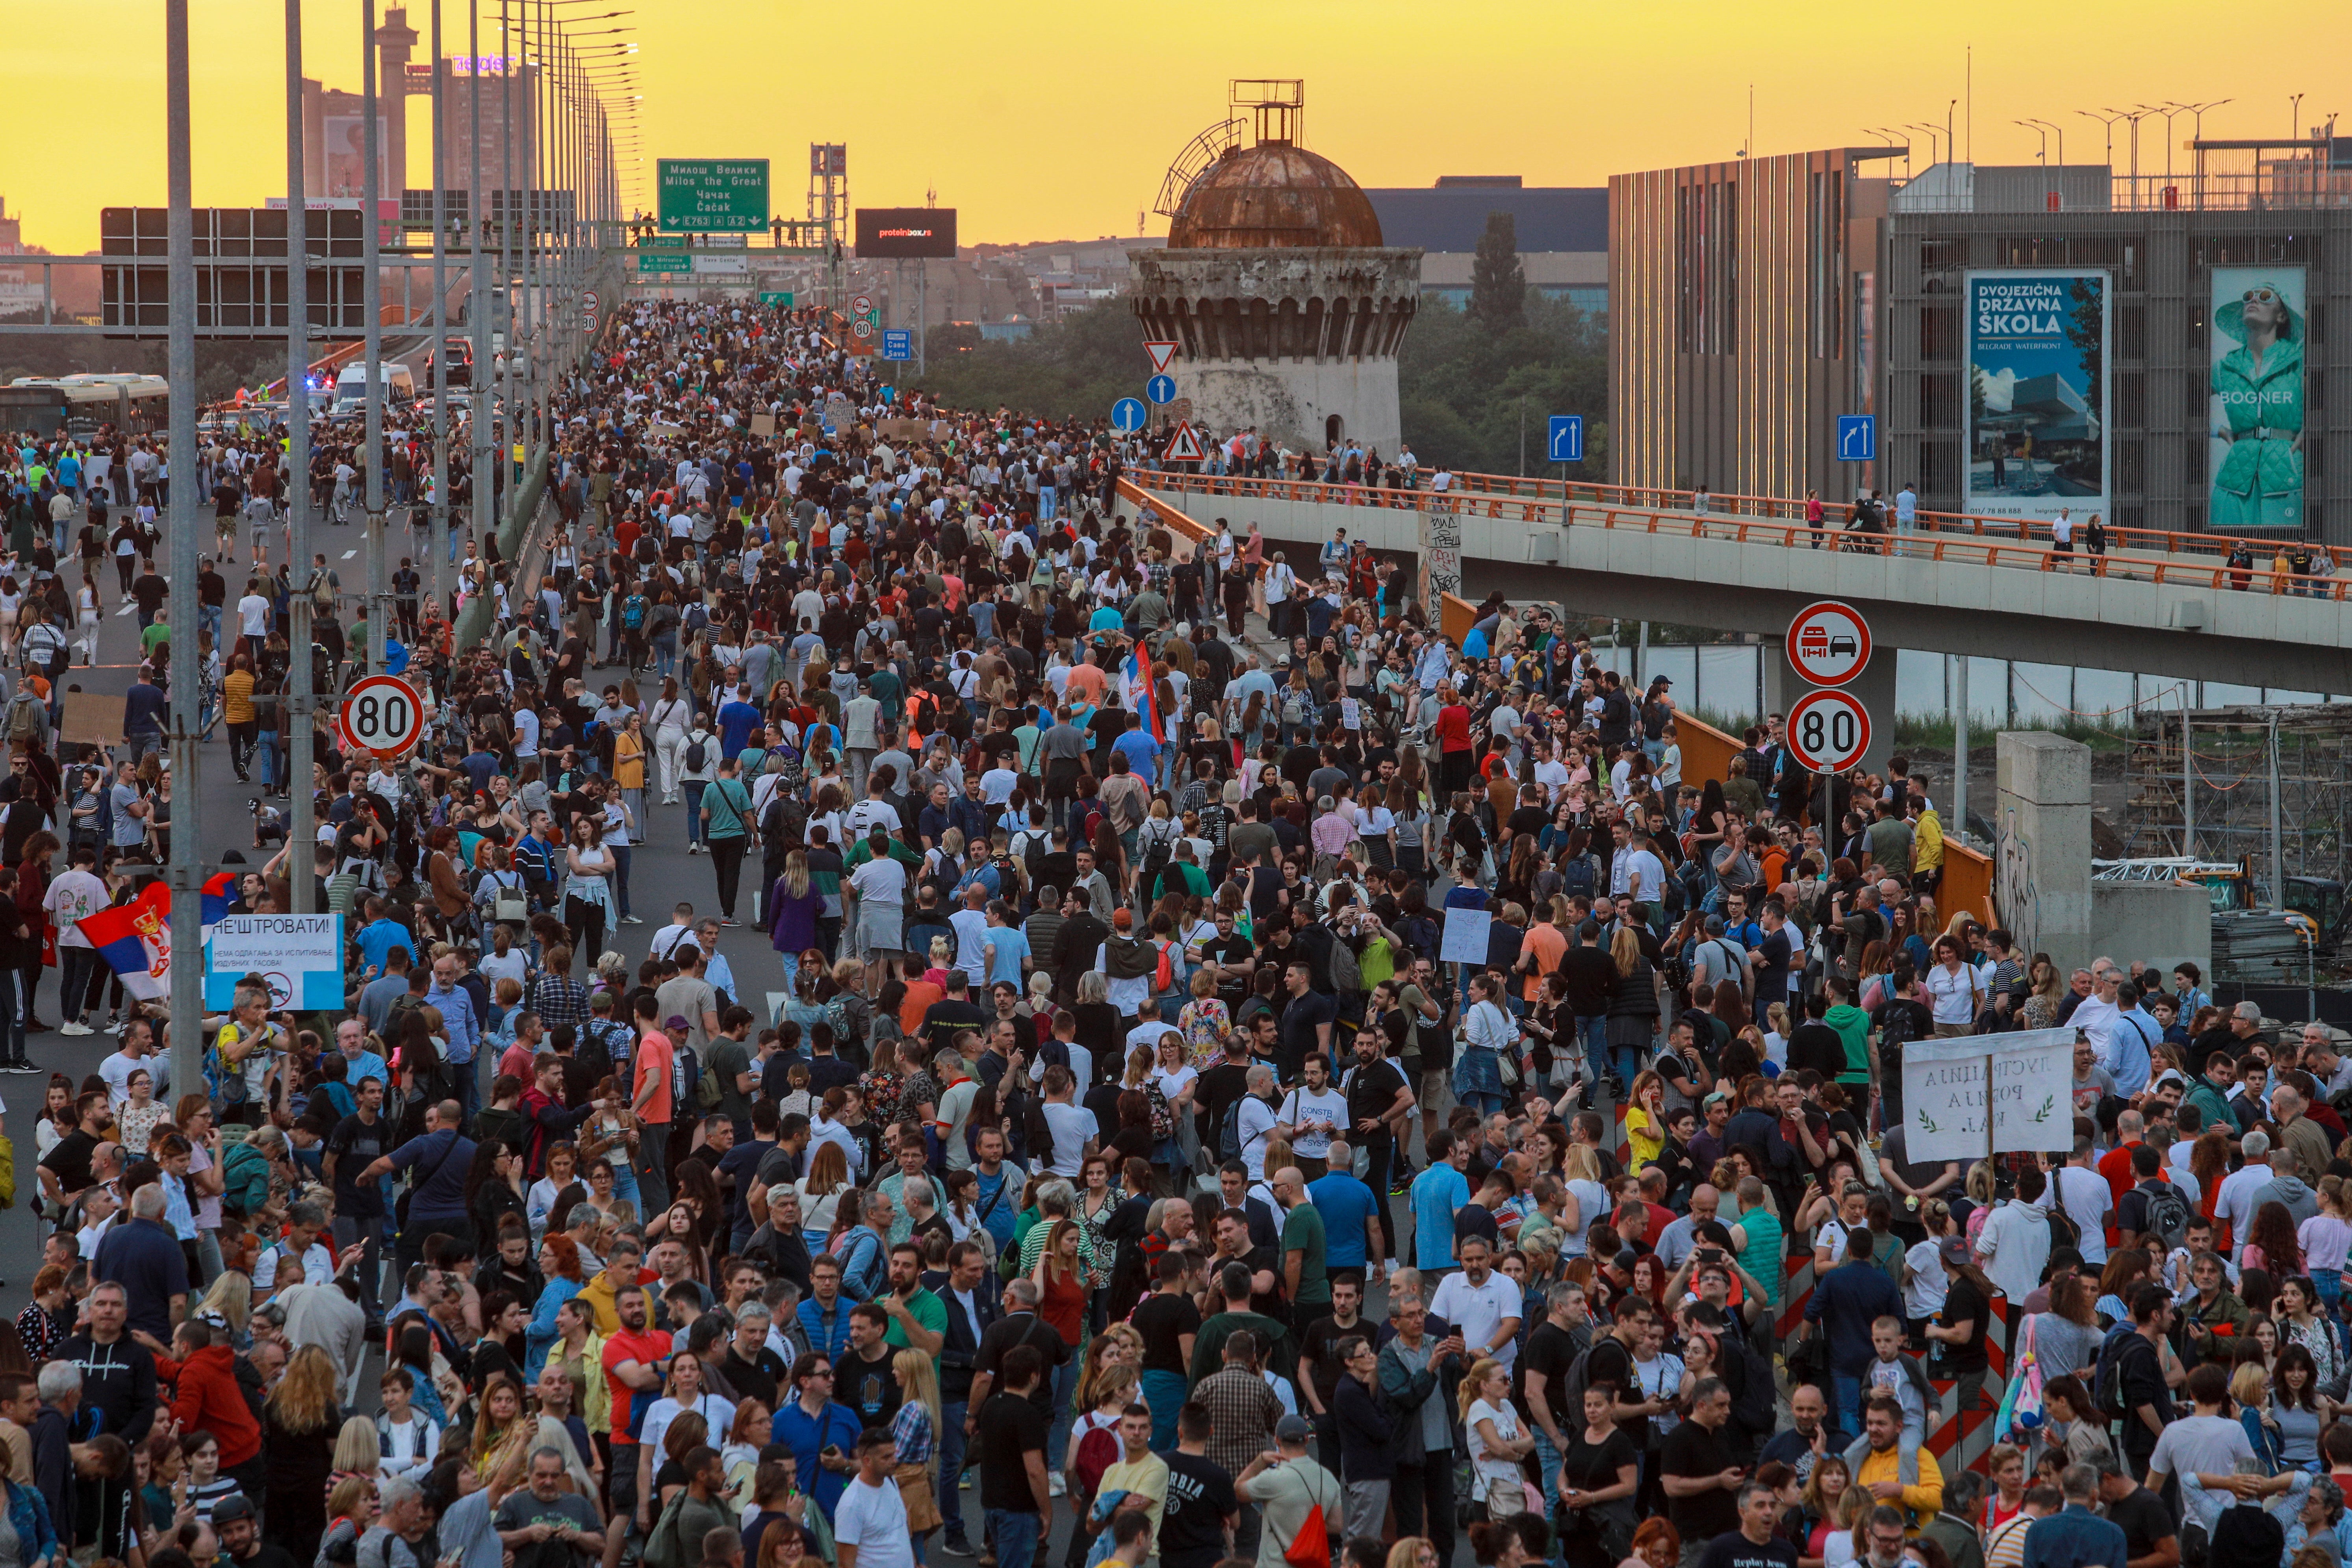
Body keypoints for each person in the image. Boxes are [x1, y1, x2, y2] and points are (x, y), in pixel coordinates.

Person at [1234, 1414, 1341, 1568]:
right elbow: (1337, 1524)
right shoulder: (1328, 1478)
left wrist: (1261, 1460)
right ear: (1307, 1439)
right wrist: (1307, 1528)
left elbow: (1238, 1490)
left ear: (1277, 1440)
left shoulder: (1271, 1479)